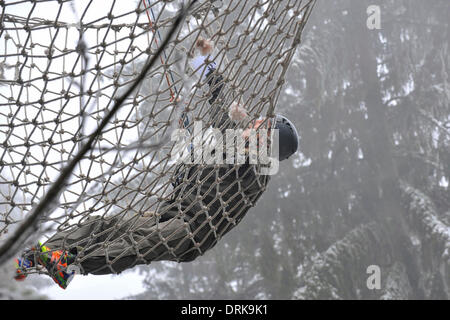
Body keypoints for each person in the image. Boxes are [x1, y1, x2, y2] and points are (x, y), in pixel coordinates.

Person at [14, 54, 299, 289]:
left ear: (267, 141)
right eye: (256, 123)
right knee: (106, 225)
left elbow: (234, 142)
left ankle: (72, 264)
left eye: (259, 126)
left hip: (190, 232)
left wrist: (236, 124)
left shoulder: (258, 175)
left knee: (135, 244)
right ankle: (44, 253)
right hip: (170, 213)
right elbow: (219, 123)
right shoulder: (235, 152)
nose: (252, 125)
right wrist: (207, 64)